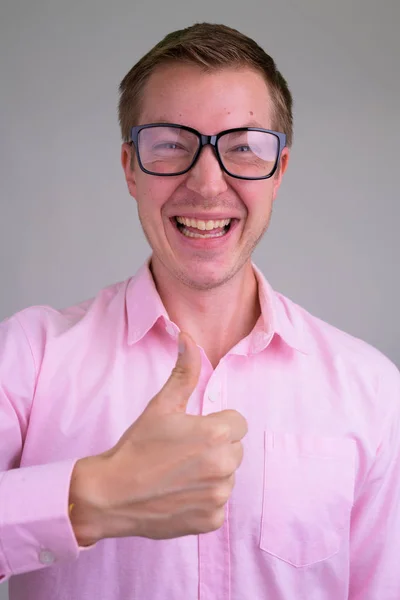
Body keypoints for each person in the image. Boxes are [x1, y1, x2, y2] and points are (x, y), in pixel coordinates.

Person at [1, 22, 399, 600]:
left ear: (279, 171)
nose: (208, 183)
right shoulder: (29, 359)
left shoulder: (374, 392)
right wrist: (90, 496)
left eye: (242, 147)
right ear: (130, 168)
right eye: (170, 144)